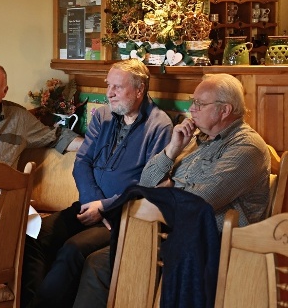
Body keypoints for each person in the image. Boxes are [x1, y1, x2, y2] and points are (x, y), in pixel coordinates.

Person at [73, 73, 270, 308]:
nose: (191, 109)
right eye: (193, 101)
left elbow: (200, 200)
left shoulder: (247, 147)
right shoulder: (196, 138)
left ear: (224, 110)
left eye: (199, 104)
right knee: (92, 258)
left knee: (99, 264)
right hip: (168, 231)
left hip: (211, 245)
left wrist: (169, 186)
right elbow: (146, 182)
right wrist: (173, 149)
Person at [21, 59, 174, 308]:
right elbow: (82, 162)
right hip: (88, 204)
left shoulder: (159, 126)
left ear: (139, 90)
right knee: (34, 235)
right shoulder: (102, 115)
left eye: (117, 87)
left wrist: (104, 207)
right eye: (108, 85)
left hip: (123, 216)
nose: (109, 93)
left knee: (73, 249)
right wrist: (93, 202)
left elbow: (148, 184)